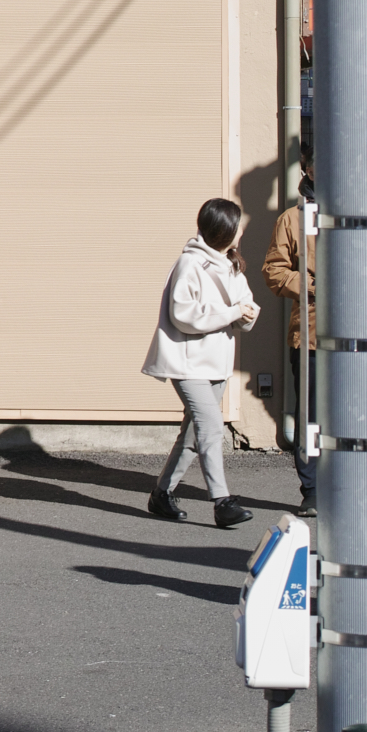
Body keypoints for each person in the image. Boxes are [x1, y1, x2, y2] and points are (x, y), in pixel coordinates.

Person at [144, 198, 260, 529]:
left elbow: (245, 304)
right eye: (238, 225)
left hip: (217, 362)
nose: (241, 231)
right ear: (224, 229)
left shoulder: (231, 264)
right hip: (187, 361)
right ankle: (222, 501)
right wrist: (235, 313)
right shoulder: (189, 264)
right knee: (210, 424)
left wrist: (246, 314)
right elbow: (184, 316)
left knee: (194, 433)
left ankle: (161, 494)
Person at [259, 140, 316, 515]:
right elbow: (274, 272)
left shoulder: (362, 207)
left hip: (362, 340)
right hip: (310, 335)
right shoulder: (292, 218)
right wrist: (316, 286)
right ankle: (312, 491)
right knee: (312, 417)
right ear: (306, 168)